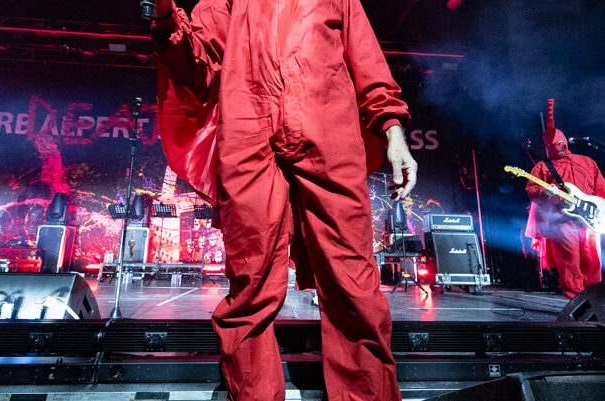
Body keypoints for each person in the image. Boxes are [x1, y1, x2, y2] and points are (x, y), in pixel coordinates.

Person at [149, 0, 417, 399]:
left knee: (354, 283)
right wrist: (164, 16)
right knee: (250, 283)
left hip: (330, 135)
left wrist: (393, 132)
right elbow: (197, 68)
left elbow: (368, 64)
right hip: (249, 135)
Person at [525, 99, 605, 299]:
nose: (557, 149)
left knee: (593, 260)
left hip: (590, 217)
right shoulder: (542, 167)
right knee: (569, 262)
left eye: (560, 144)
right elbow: (531, 189)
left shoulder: (587, 162)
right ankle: (577, 301)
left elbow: (602, 188)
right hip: (562, 220)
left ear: (565, 141)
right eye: (552, 147)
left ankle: (596, 300)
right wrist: (545, 193)